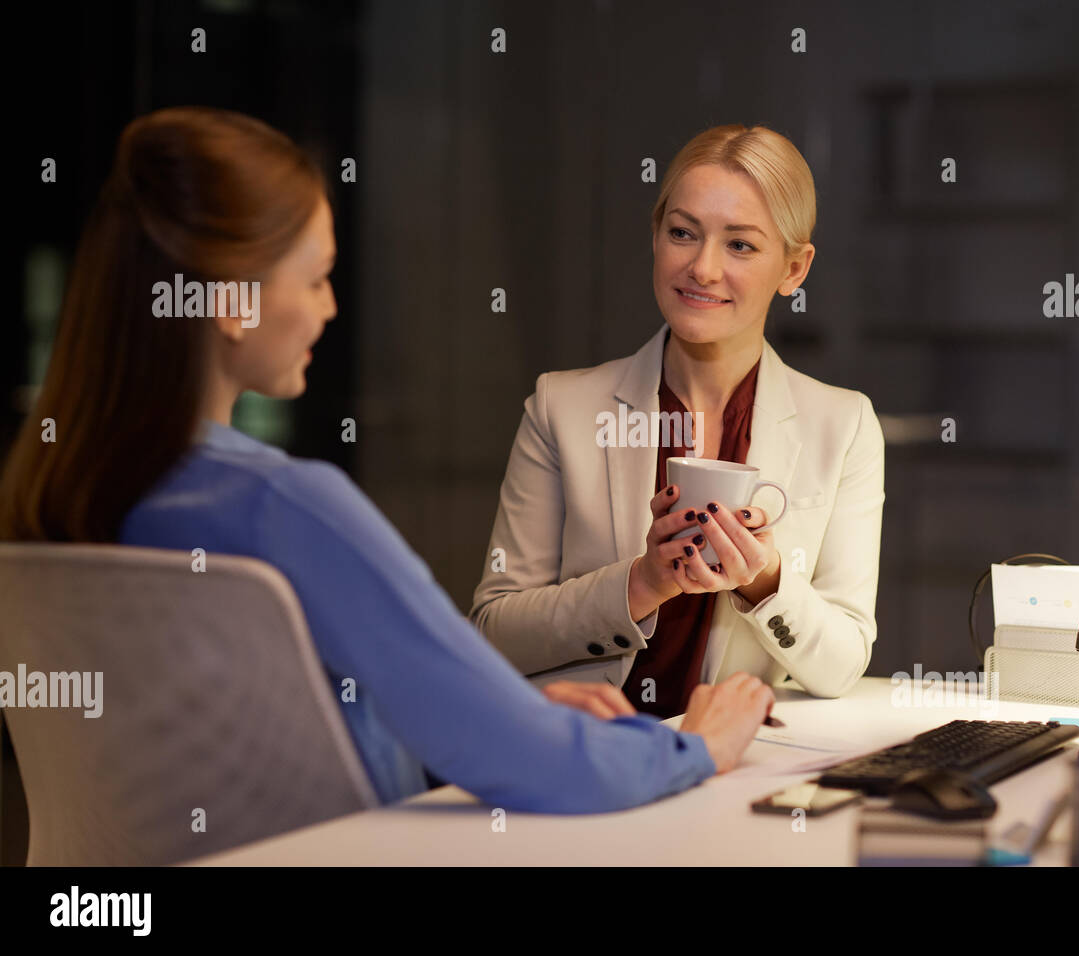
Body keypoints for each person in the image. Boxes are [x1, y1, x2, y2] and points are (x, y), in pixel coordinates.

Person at [0, 106, 773, 813]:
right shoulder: (286, 507)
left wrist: (503, 715)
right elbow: (550, 772)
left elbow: (250, 752)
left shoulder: (51, 490)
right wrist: (694, 746)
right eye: (316, 278)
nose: (330, 307)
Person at [472, 124, 886, 719]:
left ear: (794, 269)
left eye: (740, 245)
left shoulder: (842, 426)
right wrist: (640, 584)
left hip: (736, 772)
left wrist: (765, 582)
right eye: (683, 233)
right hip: (588, 764)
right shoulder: (560, 409)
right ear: (657, 235)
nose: (704, 268)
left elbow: (842, 664)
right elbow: (492, 632)